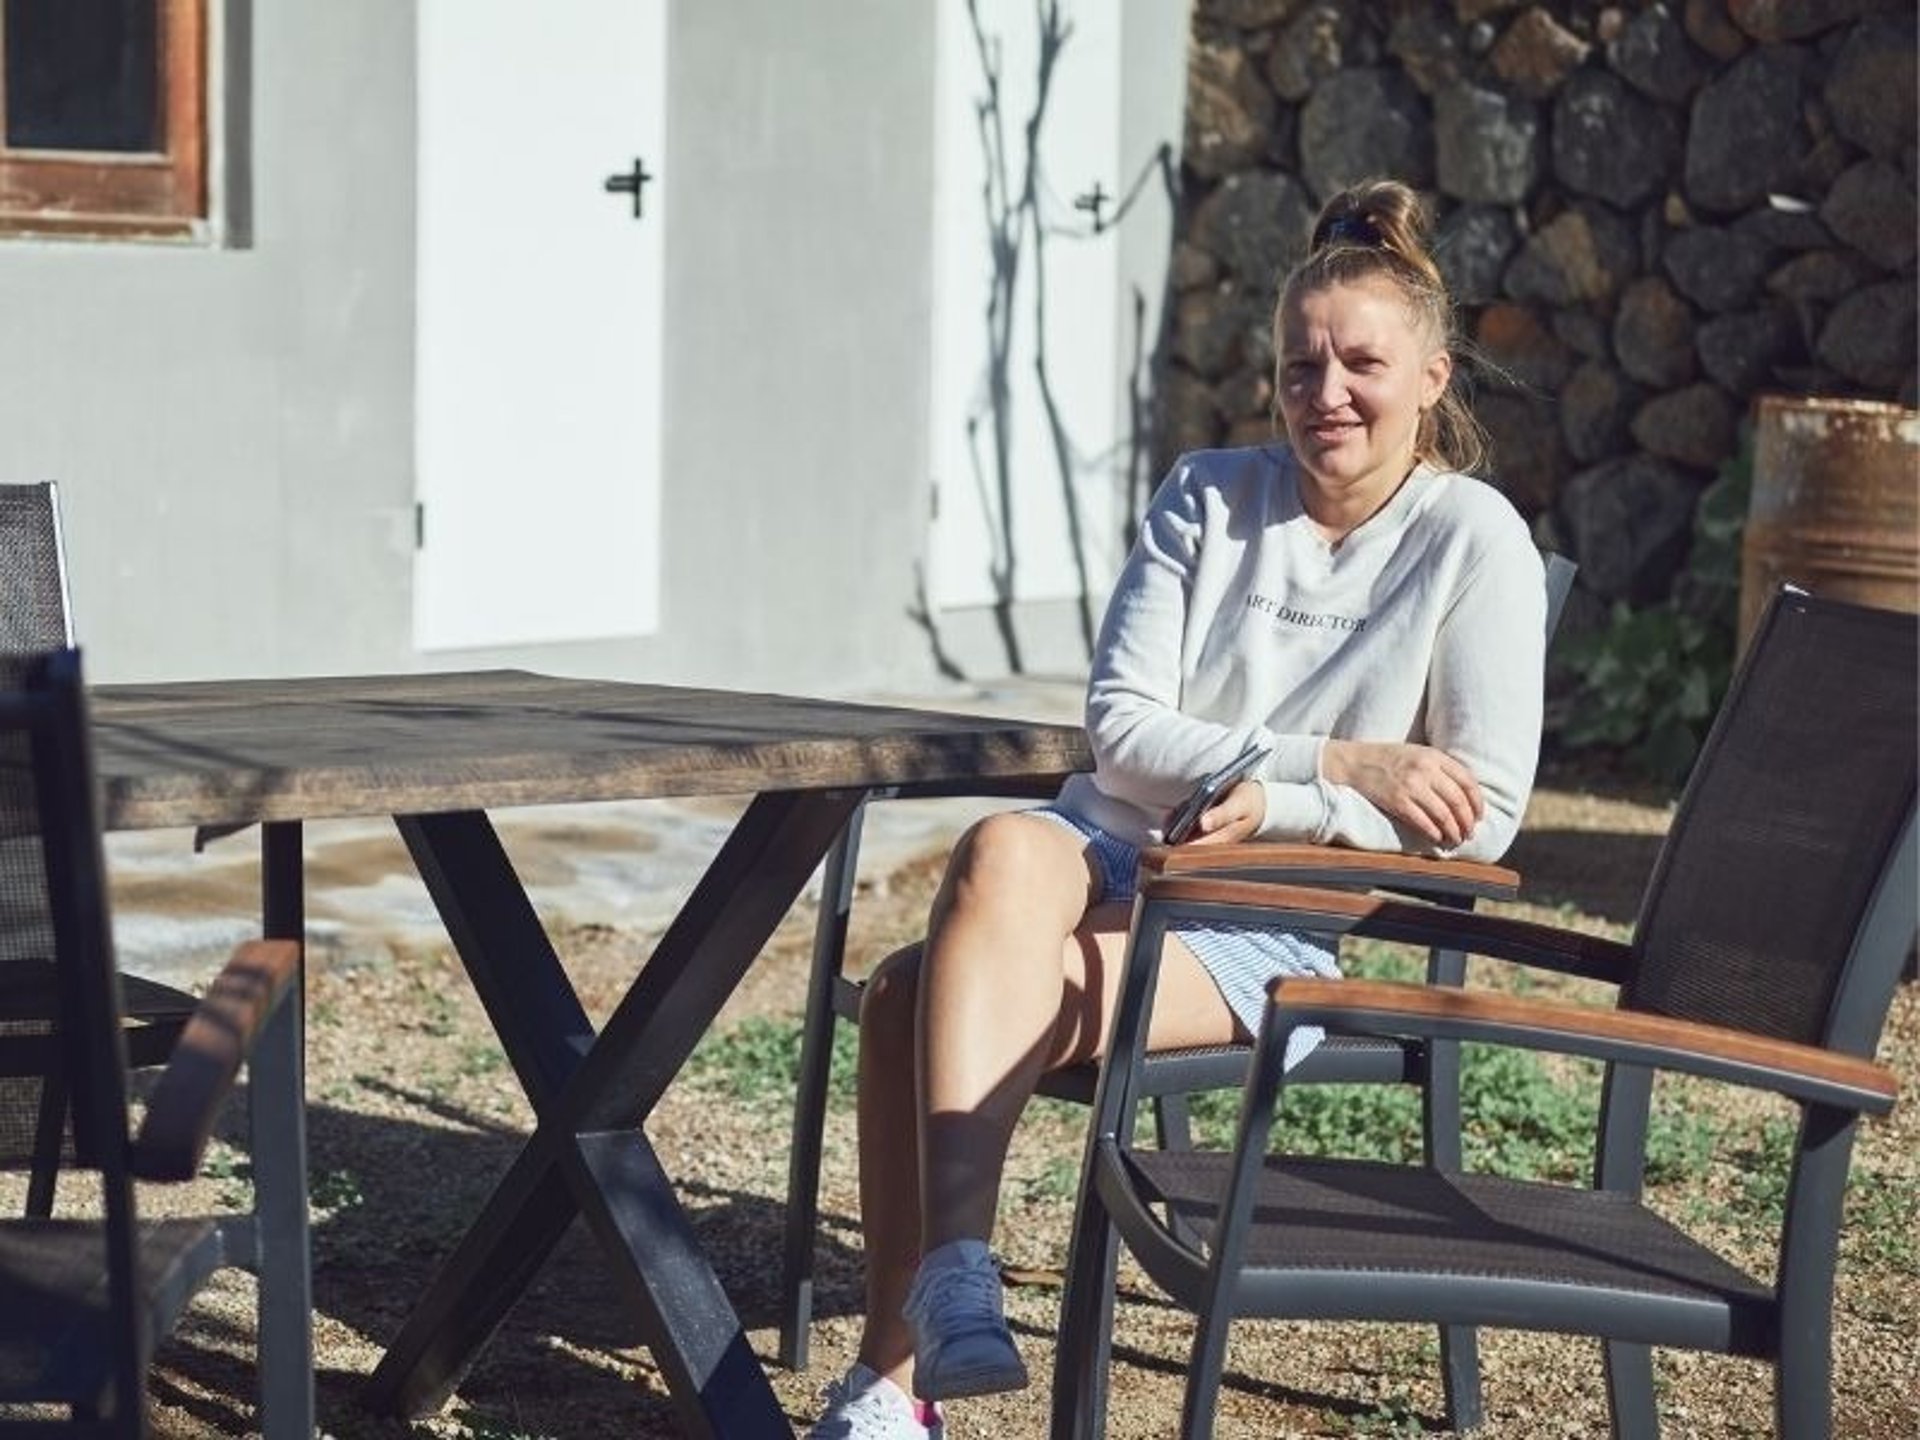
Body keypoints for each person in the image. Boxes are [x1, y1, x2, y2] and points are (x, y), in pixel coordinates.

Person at [806, 177, 1547, 1439]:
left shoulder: (1473, 540)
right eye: (1298, 365)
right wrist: (1344, 761)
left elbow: (1481, 818)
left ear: (1432, 377)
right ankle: (957, 1285)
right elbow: (1124, 731)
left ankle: (893, 1381)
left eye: (1362, 364)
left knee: (898, 1000)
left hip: (1264, 915)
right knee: (1002, 843)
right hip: (1106, 841)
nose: (1327, 394)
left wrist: (1291, 805)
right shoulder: (1210, 493)